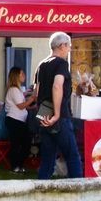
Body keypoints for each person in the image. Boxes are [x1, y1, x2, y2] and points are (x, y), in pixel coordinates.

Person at [34, 32, 82, 180]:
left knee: (48, 158)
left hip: (44, 116)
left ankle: (40, 191)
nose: (69, 50)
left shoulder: (41, 64)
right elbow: (57, 85)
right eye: (69, 47)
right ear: (62, 46)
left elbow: (36, 92)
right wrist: (56, 114)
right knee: (72, 155)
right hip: (59, 116)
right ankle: (79, 191)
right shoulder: (61, 63)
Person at [2, 65, 33, 171]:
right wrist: (33, 98)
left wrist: (32, 106)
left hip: (19, 120)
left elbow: (22, 105)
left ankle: (18, 165)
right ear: (16, 76)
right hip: (14, 120)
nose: (24, 76)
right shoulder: (14, 90)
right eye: (22, 74)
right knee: (20, 143)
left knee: (23, 143)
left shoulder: (18, 90)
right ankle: (15, 165)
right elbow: (21, 105)